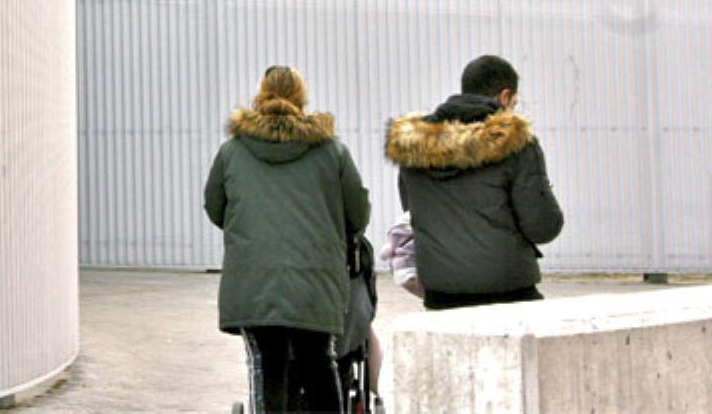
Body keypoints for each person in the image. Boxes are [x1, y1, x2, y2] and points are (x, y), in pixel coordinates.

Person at [205, 65, 370, 414]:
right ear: (301, 97)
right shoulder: (331, 151)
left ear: (260, 95)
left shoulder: (232, 151)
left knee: (268, 367)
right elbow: (357, 215)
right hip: (315, 279)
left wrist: (253, 231)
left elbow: (215, 207)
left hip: (254, 280)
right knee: (319, 362)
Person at [383, 54, 564, 310]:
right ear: (504, 97)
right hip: (508, 291)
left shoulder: (412, 147)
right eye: (514, 102)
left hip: (441, 294)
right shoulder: (518, 145)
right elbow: (543, 227)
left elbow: (412, 212)